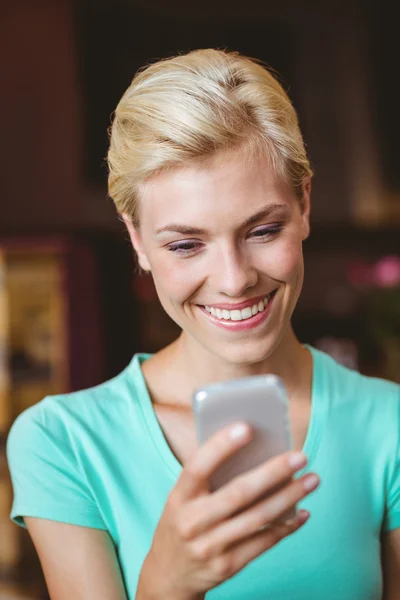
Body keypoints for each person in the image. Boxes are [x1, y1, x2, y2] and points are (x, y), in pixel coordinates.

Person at [6, 49, 400, 600]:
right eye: (186, 244)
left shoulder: (389, 425)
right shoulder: (63, 443)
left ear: (304, 204)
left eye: (263, 230)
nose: (234, 280)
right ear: (138, 240)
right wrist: (169, 583)